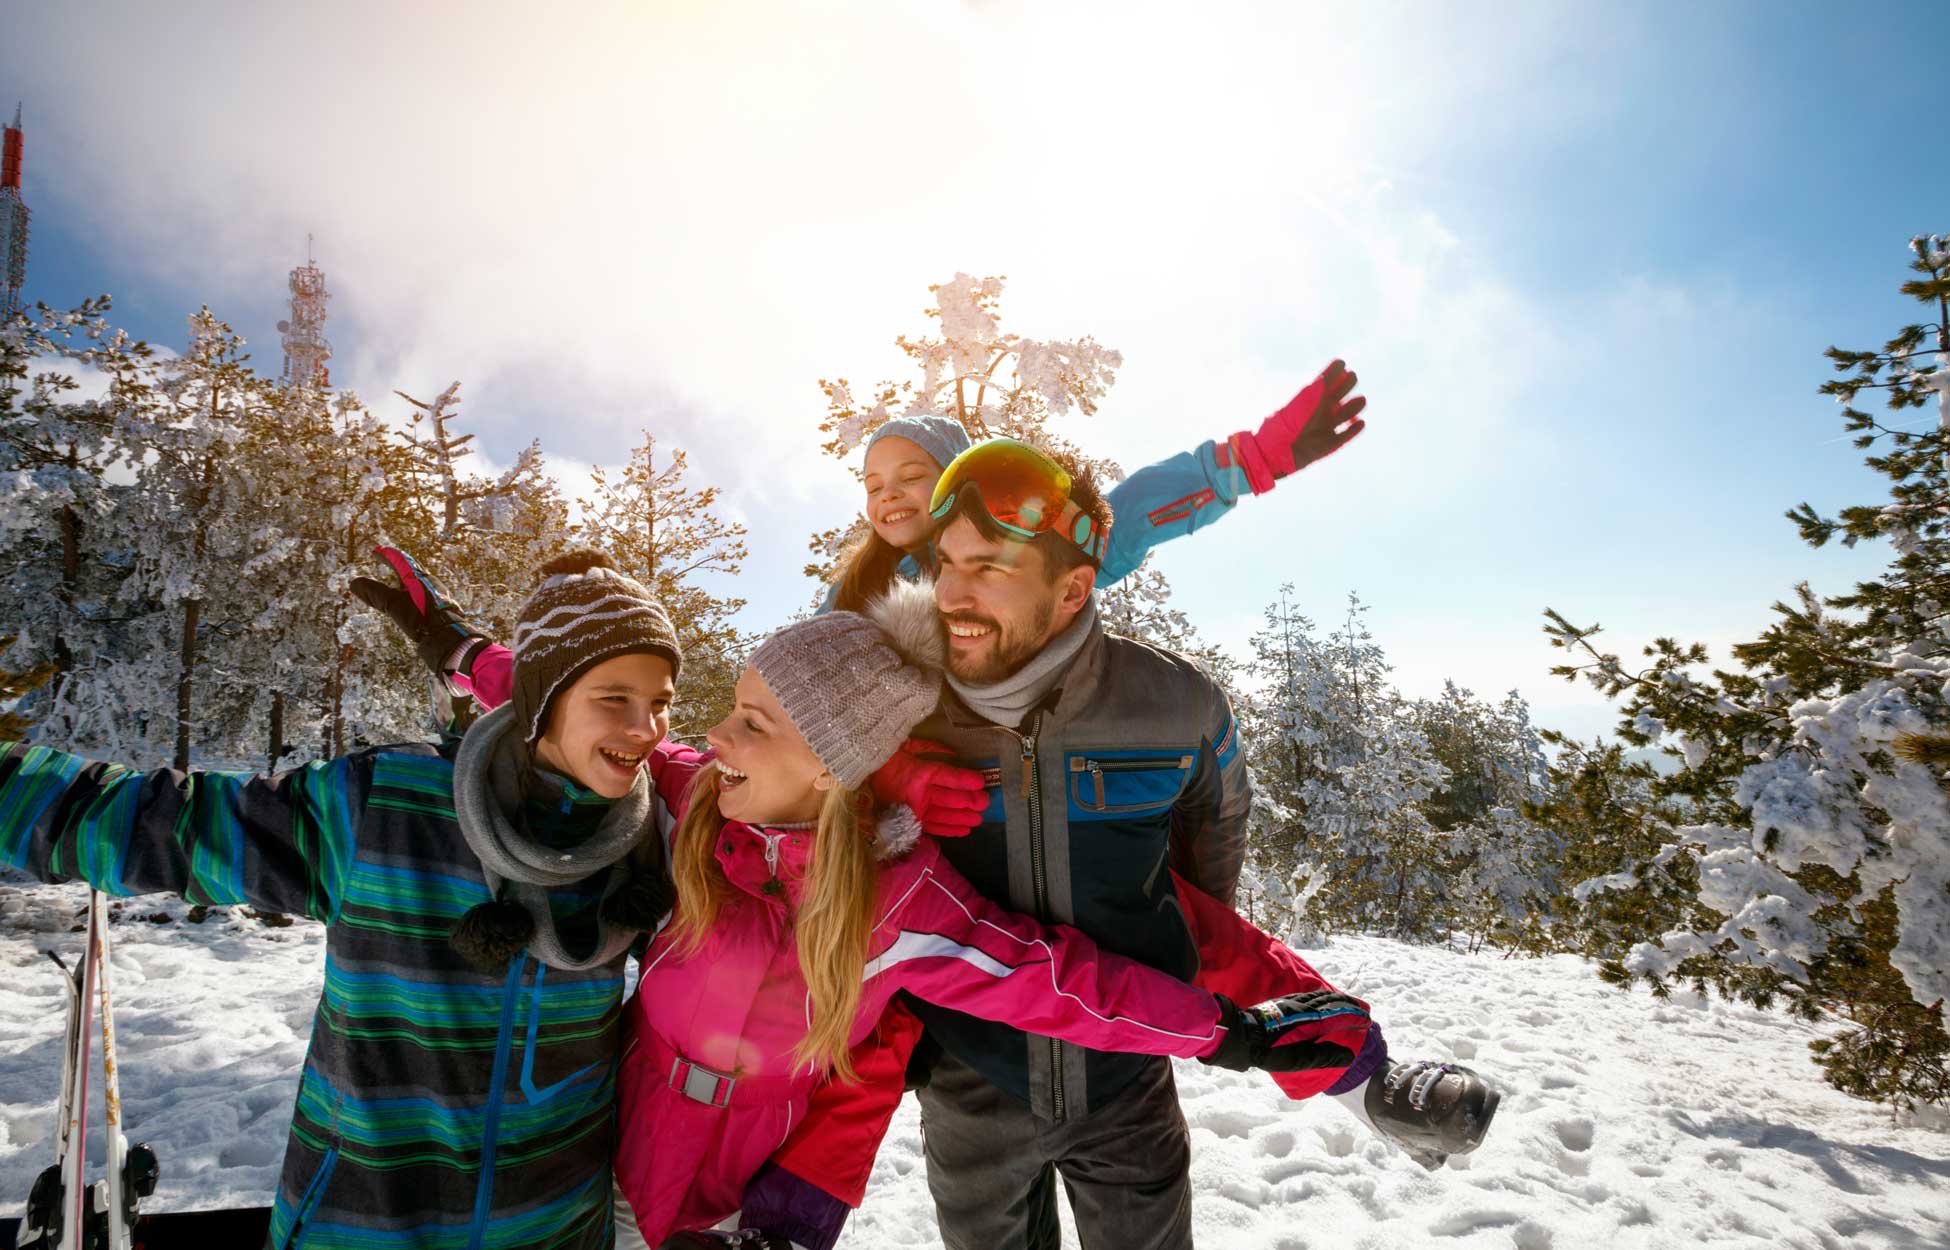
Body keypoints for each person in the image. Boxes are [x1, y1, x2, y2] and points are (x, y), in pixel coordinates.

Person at [0, 552, 970, 1250]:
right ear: (545, 703)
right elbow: (158, 823)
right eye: (617, 699)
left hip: (558, 1224)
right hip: (365, 1219)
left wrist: (892, 784)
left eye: (663, 698)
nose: (648, 728)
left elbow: (806, 841)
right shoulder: (387, 808)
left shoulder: (653, 833)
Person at [600, 580, 1367, 1248]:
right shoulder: (695, 799)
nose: (715, 734)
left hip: (741, 1201)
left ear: (833, 767)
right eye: (736, 709)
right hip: (604, 1156)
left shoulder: (900, 903)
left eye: (754, 723)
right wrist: (480, 662)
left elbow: (1064, 982)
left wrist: (1232, 1034)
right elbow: (573, 720)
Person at [826, 359, 1367, 613]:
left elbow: (1118, 521)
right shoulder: (858, 583)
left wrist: (1249, 460)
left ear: (956, 481)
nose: (887, 495)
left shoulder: (1011, 545)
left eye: (911, 477)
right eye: (872, 487)